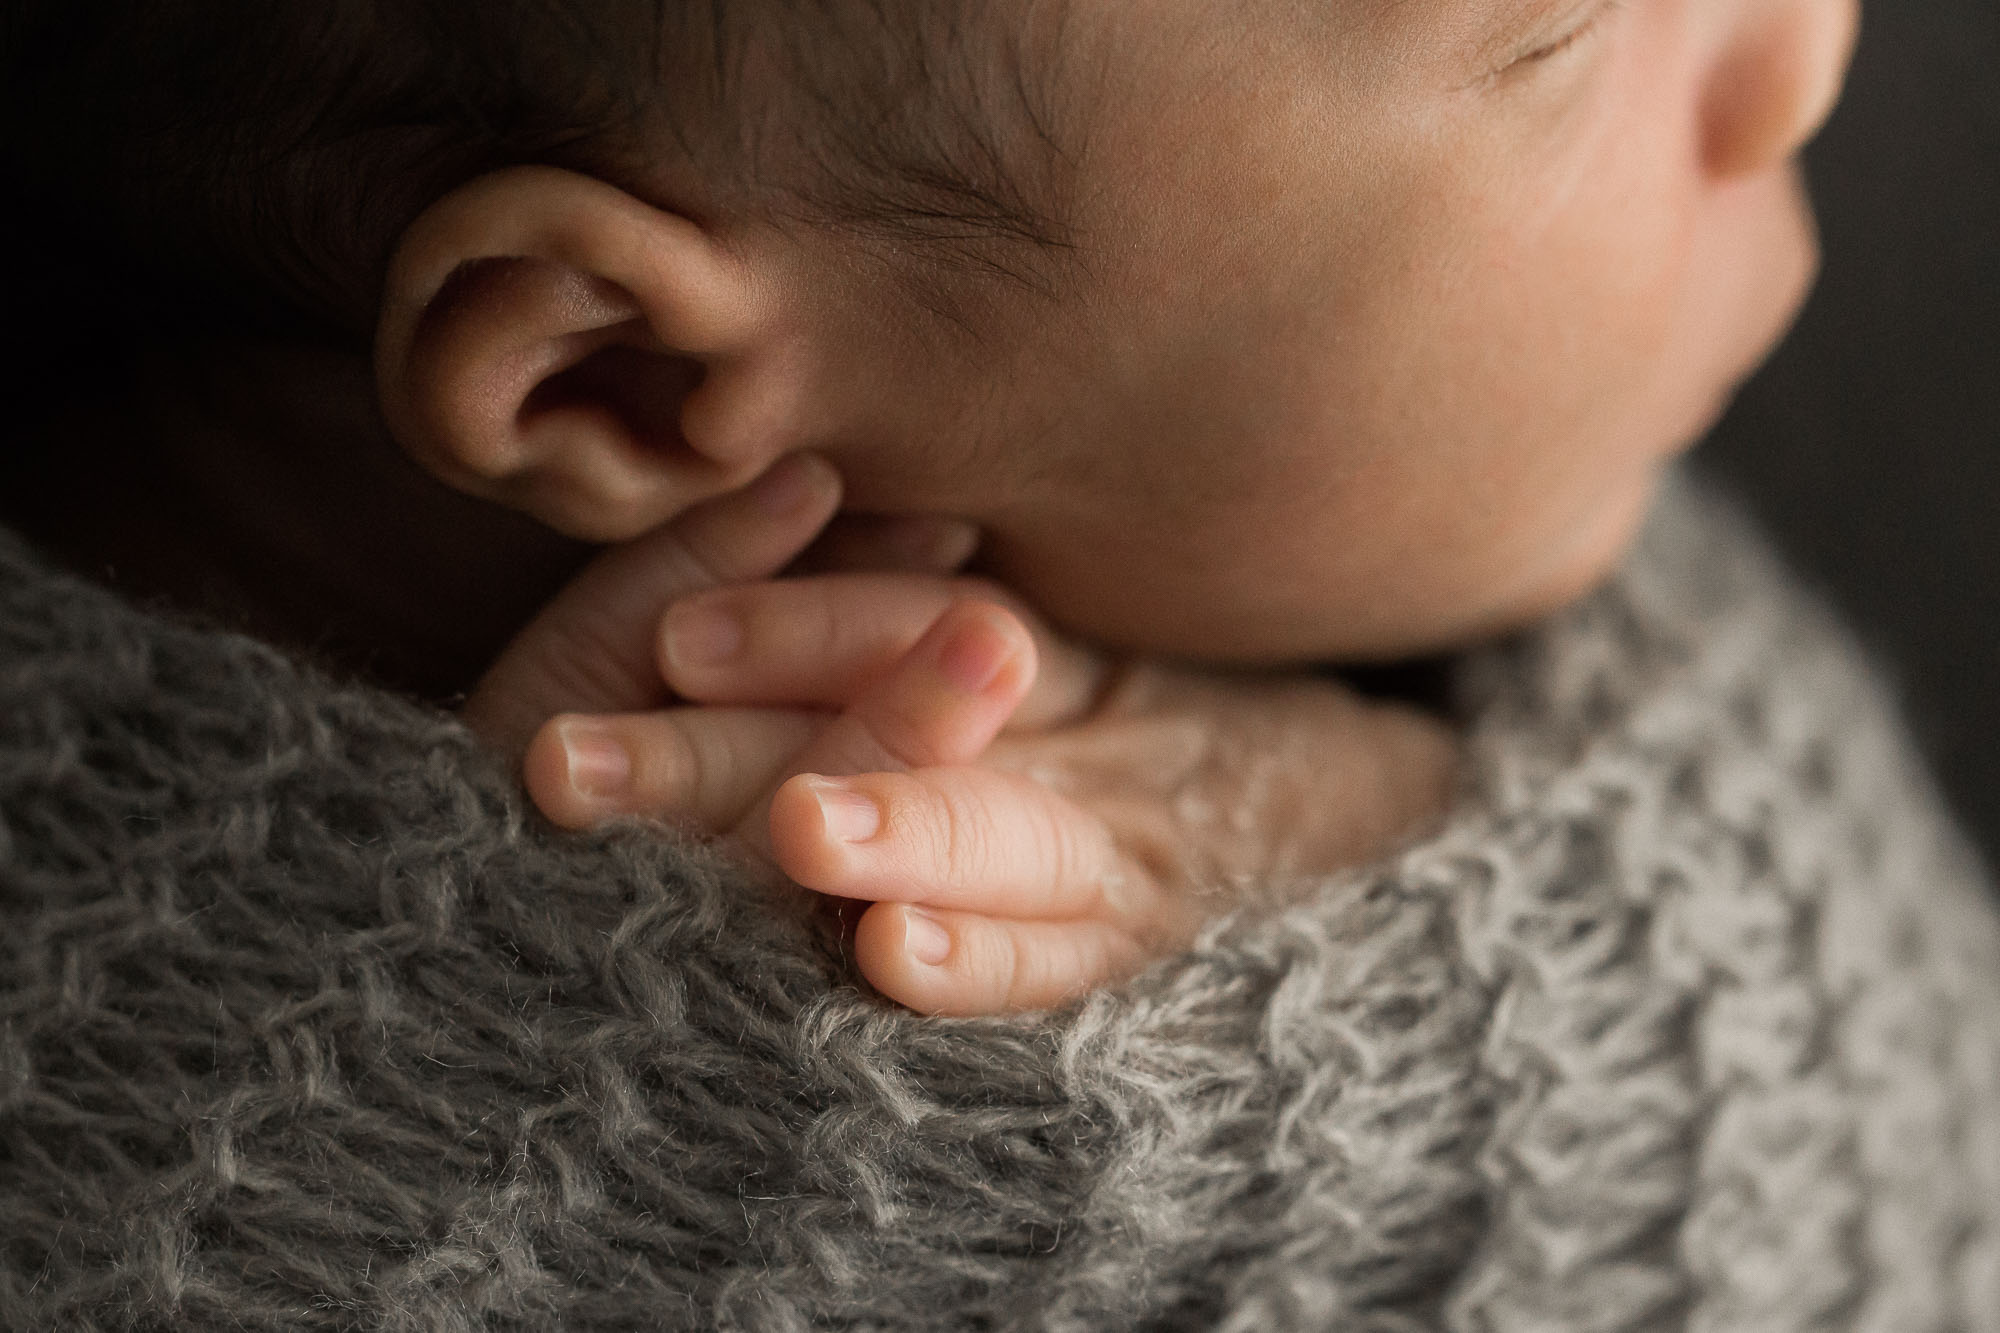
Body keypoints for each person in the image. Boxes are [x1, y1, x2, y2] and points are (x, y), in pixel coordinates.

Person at [5, 0, 1858, 1015]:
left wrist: (1327, 846)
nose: (1811, 52)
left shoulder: (1399, 526)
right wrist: (478, 1000)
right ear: (614, 385)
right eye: (1558, 26)